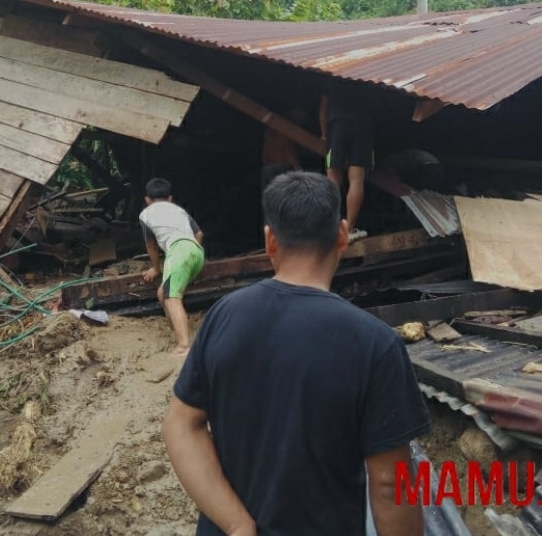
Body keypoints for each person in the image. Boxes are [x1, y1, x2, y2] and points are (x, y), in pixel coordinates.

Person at [162, 171, 431, 536]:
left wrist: (238, 524)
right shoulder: (375, 344)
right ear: (342, 235)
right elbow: (388, 485)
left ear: (269, 240)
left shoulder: (224, 315)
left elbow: (180, 425)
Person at [139, 177, 206, 357]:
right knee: (163, 292)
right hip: (197, 251)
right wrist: (192, 251)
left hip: (178, 251)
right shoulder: (179, 211)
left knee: (171, 297)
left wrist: (156, 268)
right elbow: (199, 233)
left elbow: (150, 246)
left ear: (147, 200)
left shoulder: (145, 214)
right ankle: (178, 327)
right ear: (170, 198)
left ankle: (184, 346)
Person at [320, 80, 381, 242]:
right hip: (363, 125)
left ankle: (329, 228)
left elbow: (323, 106)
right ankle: (349, 229)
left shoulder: (334, 76)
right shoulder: (368, 78)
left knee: (333, 176)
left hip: (338, 122)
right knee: (356, 178)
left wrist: (324, 134)